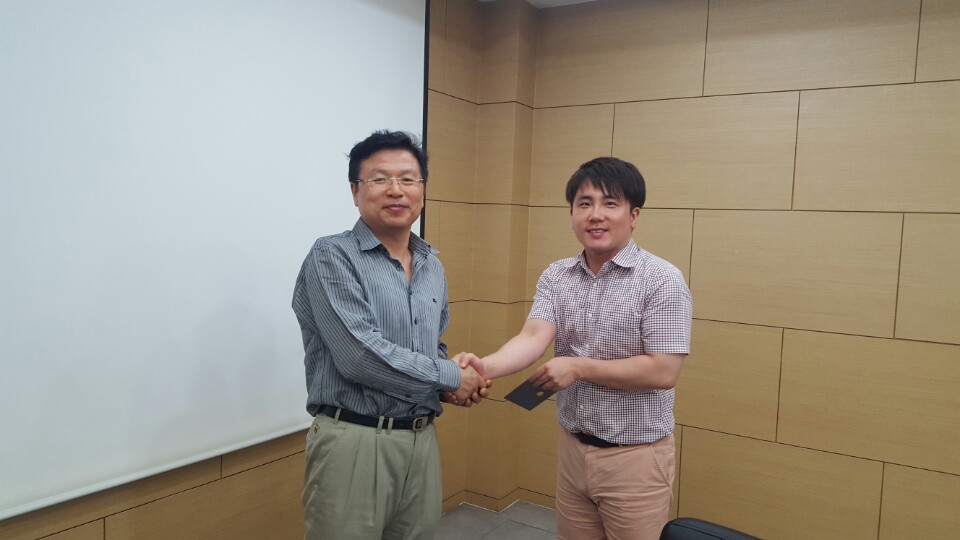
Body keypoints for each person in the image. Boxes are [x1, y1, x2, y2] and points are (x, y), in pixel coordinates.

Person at [454, 157, 692, 539]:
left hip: (636, 456)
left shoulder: (662, 279)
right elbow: (532, 338)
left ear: (633, 215)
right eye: (584, 203)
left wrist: (578, 367)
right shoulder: (557, 275)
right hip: (572, 450)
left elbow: (664, 370)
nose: (595, 215)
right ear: (572, 214)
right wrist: (482, 366)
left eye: (610, 203)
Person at [292, 130, 488, 540]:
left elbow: (432, 346)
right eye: (379, 179)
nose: (396, 190)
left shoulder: (431, 264)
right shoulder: (332, 255)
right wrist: (451, 376)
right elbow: (359, 355)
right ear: (355, 191)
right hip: (355, 440)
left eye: (408, 179)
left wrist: (447, 386)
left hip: (421, 438)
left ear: (422, 190)